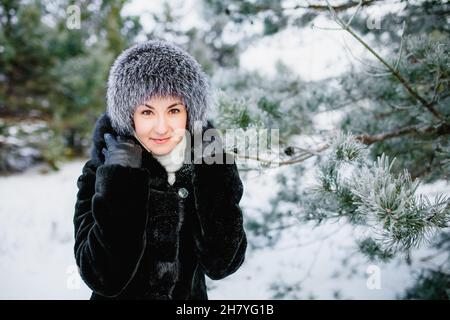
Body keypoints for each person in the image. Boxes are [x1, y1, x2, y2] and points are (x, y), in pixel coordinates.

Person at [73, 39, 247, 300]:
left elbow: (222, 264)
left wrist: (215, 173)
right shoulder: (101, 171)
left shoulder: (201, 165)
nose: (162, 127)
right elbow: (104, 278)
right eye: (147, 112)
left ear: (190, 113)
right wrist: (121, 180)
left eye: (174, 110)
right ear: (128, 115)